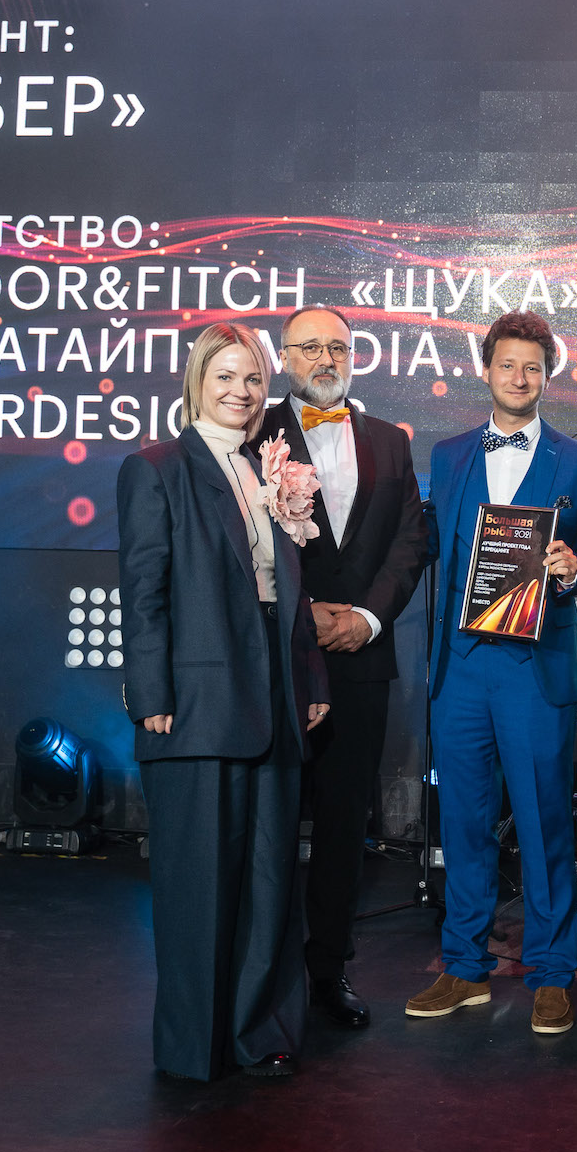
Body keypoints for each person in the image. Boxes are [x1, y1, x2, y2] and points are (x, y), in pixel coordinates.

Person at [117, 321, 330, 1081]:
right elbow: (143, 591)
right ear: (198, 381)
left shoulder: (273, 468)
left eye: (253, 379)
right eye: (226, 377)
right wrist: (151, 691)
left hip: (275, 693)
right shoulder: (157, 468)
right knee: (198, 885)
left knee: (271, 881)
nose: (241, 391)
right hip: (196, 703)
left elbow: (290, 596)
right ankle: (195, 1046)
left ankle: (259, 1033)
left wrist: (311, 680)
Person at [406, 312, 577, 1034]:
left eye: (533, 367)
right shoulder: (449, 454)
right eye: (508, 365)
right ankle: (464, 967)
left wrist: (575, 566)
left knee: (544, 818)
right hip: (461, 664)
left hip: (534, 665)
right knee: (463, 822)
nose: (519, 378)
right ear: (485, 369)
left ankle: (552, 972)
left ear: (547, 376)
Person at [258, 305, 428, 1030]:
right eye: (310, 347)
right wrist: (302, 615)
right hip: (276, 657)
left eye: (338, 347)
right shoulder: (253, 429)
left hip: (361, 659)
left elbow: (411, 541)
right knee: (267, 823)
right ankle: (260, 976)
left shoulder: (390, 441)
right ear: (285, 357)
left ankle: (328, 970)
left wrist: (366, 618)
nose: (325, 359)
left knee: (341, 826)